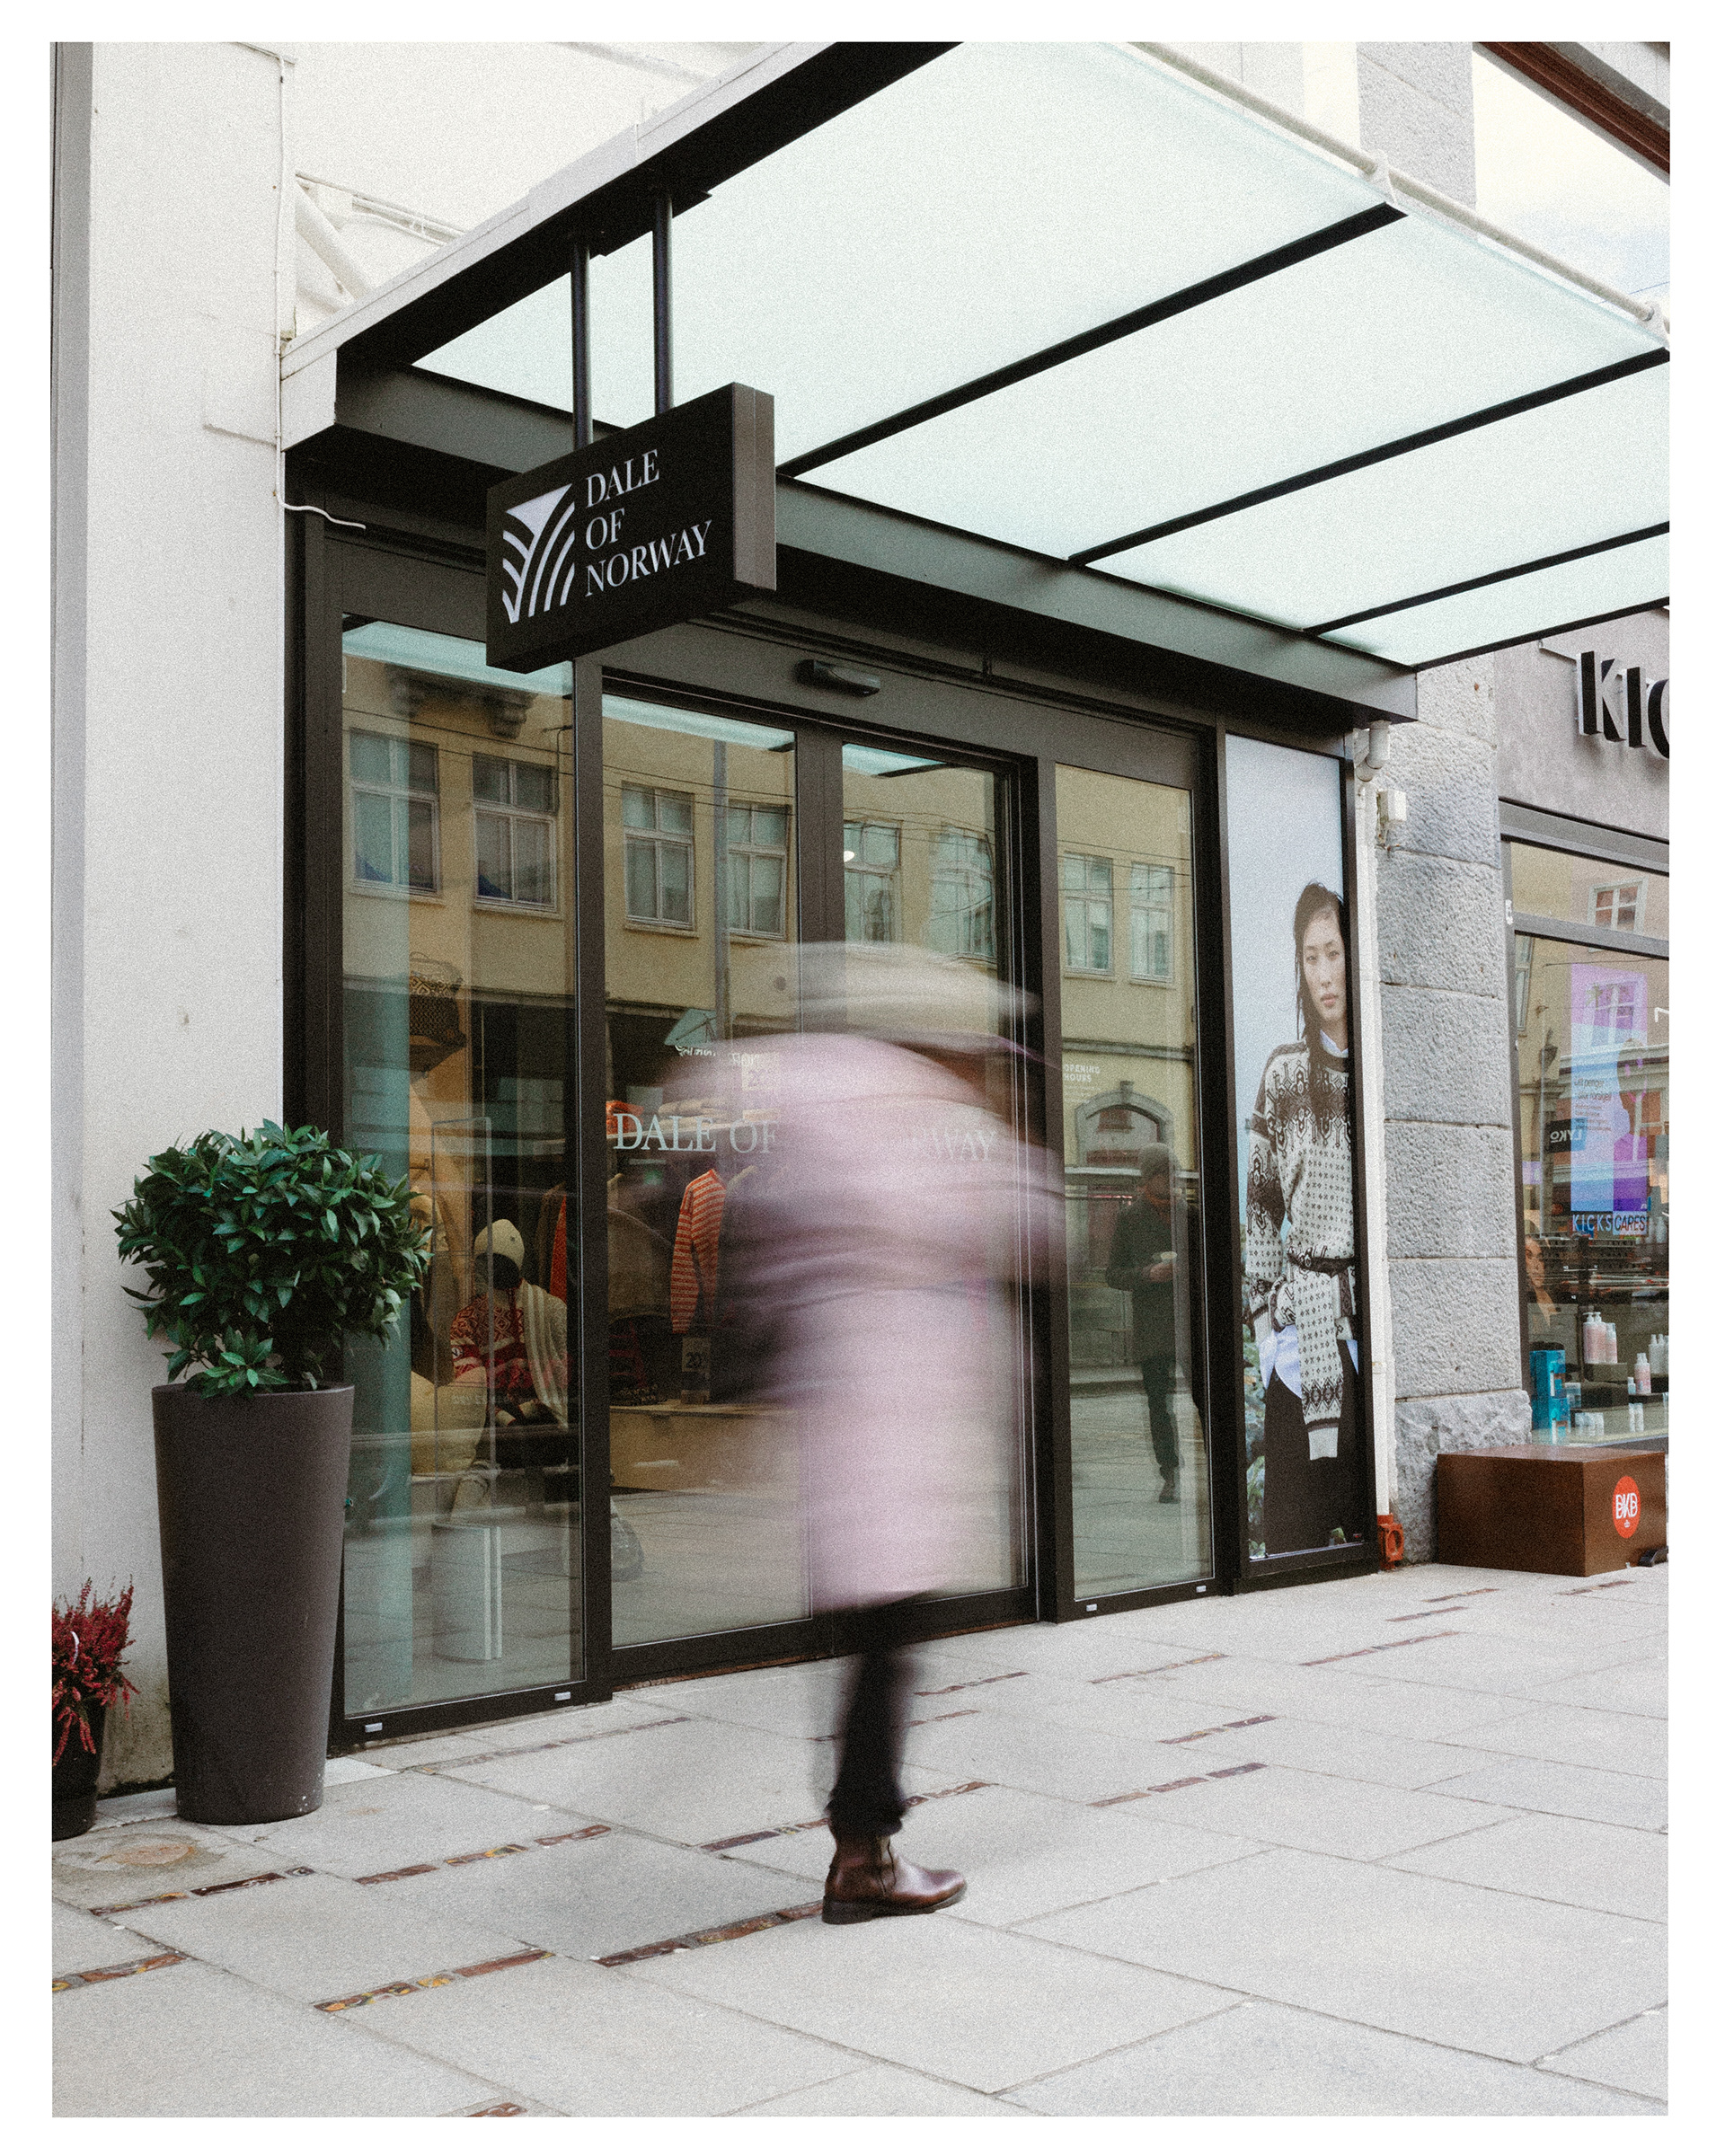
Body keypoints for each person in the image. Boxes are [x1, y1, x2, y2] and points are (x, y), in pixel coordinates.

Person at [719, 943, 1057, 1924]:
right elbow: (1033, 1224)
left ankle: (863, 1840)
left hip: (852, 1408)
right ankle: (863, 1856)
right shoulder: (909, 1110)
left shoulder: (826, 1091)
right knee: (888, 1639)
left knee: (878, 1636)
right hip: (890, 1419)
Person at [1243, 882, 1361, 1556]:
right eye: (1310, 957)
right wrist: (1268, 1336)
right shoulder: (1284, 1075)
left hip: (1364, 1341)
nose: (1323, 973)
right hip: (1301, 1342)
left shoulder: (1374, 1072)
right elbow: (1260, 1213)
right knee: (1292, 1543)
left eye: (1333, 953)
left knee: (1371, 1538)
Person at [1105, 1143, 1182, 1502]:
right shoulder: (1130, 1218)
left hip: (1189, 1322)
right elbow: (1113, 1274)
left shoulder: (1189, 1215)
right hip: (1152, 1327)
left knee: (1206, 1399)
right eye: (1162, 1174)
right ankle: (1169, 1474)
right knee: (1158, 1405)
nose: (1170, 1179)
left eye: (1173, 1173)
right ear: (1148, 1178)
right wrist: (1148, 1274)